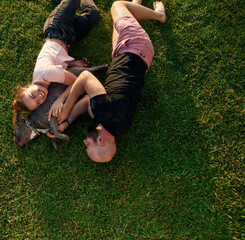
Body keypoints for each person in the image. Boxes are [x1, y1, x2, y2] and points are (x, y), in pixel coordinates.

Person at [56, 0, 166, 162]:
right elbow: (85, 77)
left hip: (131, 60)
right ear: (100, 141)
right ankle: (159, 15)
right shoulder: (104, 110)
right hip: (135, 46)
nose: (85, 141)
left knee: (118, 22)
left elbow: (88, 102)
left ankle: (136, 4)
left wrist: (66, 122)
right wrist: (67, 106)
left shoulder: (120, 128)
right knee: (117, 6)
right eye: (88, 145)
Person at [12, 0, 100, 114]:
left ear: (28, 87)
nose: (40, 97)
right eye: (38, 103)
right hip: (70, 39)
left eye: (33, 95)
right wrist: (72, 64)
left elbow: (75, 82)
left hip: (57, 27)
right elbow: (55, 60)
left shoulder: (46, 74)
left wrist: (60, 100)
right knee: (94, 13)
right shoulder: (44, 82)